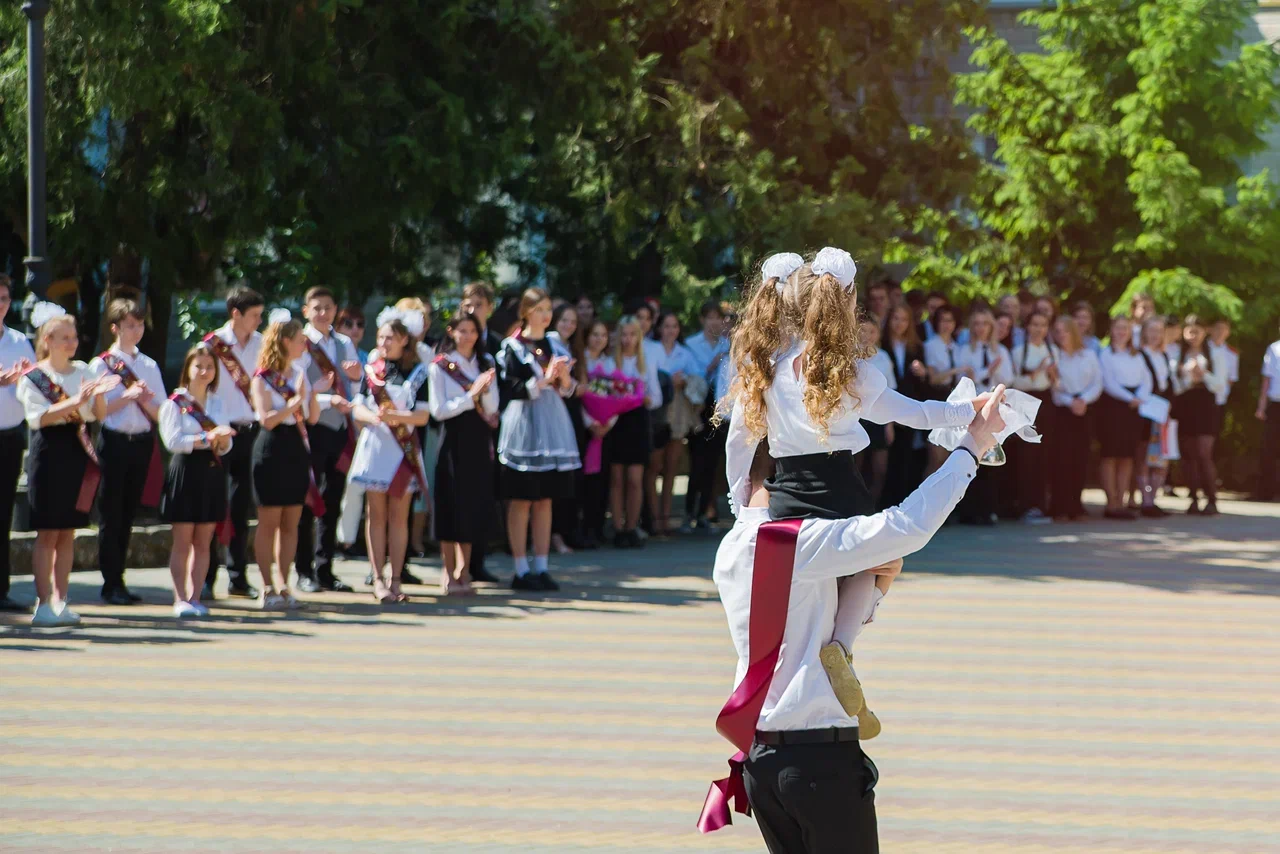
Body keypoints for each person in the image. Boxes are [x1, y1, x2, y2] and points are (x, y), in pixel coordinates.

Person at [703, 392, 1004, 851]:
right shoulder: (800, 543)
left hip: (761, 759)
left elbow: (802, 623)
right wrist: (972, 445)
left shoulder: (731, 548)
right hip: (819, 759)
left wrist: (874, 589)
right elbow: (907, 525)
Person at [725, 247, 984, 727]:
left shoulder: (767, 370)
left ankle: (812, 668)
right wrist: (969, 413)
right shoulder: (852, 373)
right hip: (841, 491)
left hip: (788, 497)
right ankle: (841, 648)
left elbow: (739, 443)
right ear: (846, 302)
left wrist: (739, 498)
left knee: (811, 584)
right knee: (879, 562)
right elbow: (918, 415)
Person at [19, 303, 119, 626]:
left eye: (74, 337)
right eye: (64, 337)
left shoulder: (85, 371)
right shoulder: (34, 377)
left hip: (78, 450)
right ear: (47, 339)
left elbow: (99, 415)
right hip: (49, 452)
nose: (71, 343)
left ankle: (62, 600)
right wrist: (76, 401)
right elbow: (39, 419)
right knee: (48, 532)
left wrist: (99, 394)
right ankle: (43, 602)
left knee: (68, 533)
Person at [496, 288, 582, 592]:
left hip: (551, 421)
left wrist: (564, 378)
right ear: (526, 311)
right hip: (523, 424)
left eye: (548, 309)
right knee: (521, 500)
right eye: (540, 309)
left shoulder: (555, 342)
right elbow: (510, 389)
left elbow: (568, 389)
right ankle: (521, 569)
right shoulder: (511, 346)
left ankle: (542, 566)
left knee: (545, 499)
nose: (546, 315)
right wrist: (546, 378)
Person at [350, 311, 432, 603]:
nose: (383, 342)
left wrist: (396, 416)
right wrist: (372, 417)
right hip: (376, 447)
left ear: (404, 339)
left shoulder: (419, 371)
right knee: (376, 515)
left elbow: (423, 415)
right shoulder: (373, 369)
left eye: (390, 337)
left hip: (403, 450)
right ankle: (378, 578)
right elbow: (357, 406)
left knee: (399, 517)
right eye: (381, 336)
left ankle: (397, 579)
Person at [251, 311, 326, 610]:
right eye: (299, 340)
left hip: (295, 447)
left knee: (291, 522)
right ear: (284, 341)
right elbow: (266, 419)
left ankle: (284, 585)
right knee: (269, 522)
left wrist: (313, 396)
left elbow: (311, 417)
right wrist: (293, 403)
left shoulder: (298, 373)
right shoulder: (263, 378)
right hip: (271, 449)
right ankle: (266, 587)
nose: (304, 344)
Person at [159, 344, 236, 618]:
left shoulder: (218, 402)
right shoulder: (175, 403)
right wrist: (207, 438)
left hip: (211, 471)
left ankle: (196, 596)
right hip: (185, 471)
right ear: (188, 369)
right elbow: (173, 441)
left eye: (209, 367)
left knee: (204, 541)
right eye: (198, 366)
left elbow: (225, 445)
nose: (204, 372)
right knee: (183, 539)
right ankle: (180, 598)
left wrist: (223, 441)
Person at [294, 287, 359, 594]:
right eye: (317, 308)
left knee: (332, 500)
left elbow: (354, 387)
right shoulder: (300, 342)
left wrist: (357, 379)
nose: (323, 313)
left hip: (339, 429)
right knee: (308, 499)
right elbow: (297, 388)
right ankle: (303, 570)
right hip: (312, 425)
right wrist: (328, 398)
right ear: (306, 310)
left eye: (328, 308)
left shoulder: (345, 343)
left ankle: (325, 569)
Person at [428, 313, 498, 595]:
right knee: (449, 505)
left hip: (479, 441)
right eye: (463, 330)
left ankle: (464, 570)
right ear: (452, 332)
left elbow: (493, 407)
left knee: (471, 506)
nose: (468, 336)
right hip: (452, 439)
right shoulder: (440, 366)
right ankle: (447, 572)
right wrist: (471, 396)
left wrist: (486, 391)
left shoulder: (486, 363)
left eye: (473, 330)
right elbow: (439, 410)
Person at [203, 287, 265, 600]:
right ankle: (205, 578)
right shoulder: (212, 346)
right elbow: (200, 389)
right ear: (235, 314)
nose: (259, 321)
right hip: (219, 433)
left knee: (241, 508)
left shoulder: (262, 343)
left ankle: (238, 577)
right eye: (254, 315)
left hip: (249, 431)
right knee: (214, 506)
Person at [603, 314, 662, 548]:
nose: (627, 340)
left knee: (635, 479)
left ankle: (632, 527)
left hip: (638, 420)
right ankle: (618, 527)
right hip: (617, 422)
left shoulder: (646, 361)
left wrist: (644, 397)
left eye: (632, 335)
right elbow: (603, 392)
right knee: (617, 478)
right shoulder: (610, 362)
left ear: (639, 337)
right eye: (624, 335)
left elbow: (656, 397)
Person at [458, 281, 502, 585]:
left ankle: (479, 560)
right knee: (461, 495)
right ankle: (459, 565)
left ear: (490, 308)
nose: (473, 311)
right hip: (462, 425)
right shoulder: (451, 343)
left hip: (491, 425)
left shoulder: (498, 344)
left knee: (485, 495)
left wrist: (496, 412)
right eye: (468, 305)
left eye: (479, 305)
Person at [953, 307, 1012, 525]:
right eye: (976, 323)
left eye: (984, 324)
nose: (980, 328)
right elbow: (964, 379)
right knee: (970, 454)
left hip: (994, 409)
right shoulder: (965, 350)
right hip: (971, 408)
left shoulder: (1001, 351)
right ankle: (967, 509)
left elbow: (1008, 378)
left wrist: (990, 372)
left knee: (992, 456)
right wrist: (987, 370)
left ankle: (987, 509)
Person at [0, 275, 37, 614]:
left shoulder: (18, 340)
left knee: (4, 515)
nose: (1, 304)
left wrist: (26, 376)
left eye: (5, 297)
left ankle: (2, 590)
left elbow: (34, 382)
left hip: (10, 436)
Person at [1170, 315, 1227, 515]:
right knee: (1189, 454)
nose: (1193, 335)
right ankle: (1193, 497)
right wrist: (1188, 377)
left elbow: (1220, 383)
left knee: (1204, 453)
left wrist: (1203, 375)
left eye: (1198, 331)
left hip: (1206, 405)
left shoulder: (1215, 354)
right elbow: (1175, 386)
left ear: (1205, 332)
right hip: (1186, 404)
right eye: (1190, 331)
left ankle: (1211, 498)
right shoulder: (1177, 355)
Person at [1096, 315, 1152, 520]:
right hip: (1113, 407)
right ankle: (1111, 502)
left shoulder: (1136, 355)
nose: (1122, 332)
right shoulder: (1105, 354)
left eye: (1125, 329)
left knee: (1127, 457)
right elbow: (1108, 382)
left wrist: (1140, 398)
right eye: (1118, 328)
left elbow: (1147, 379)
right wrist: (1130, 398)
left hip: (1133, 409)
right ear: (1111, 330)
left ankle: (1121, 501)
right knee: (1110, 455)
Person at [1049, 315, 1102, 521]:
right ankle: (1059, 506)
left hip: (1084, 410)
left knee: (1080, 458)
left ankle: (1075, 505)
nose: (1061, 335)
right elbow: (1054, 387)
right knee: (1061, 458)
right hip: (1063, 411)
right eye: (1058, 331)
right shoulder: (1054, 356)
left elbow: (1098, 382)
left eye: (1065, 330)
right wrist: (1069, 401)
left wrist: (1083, 400)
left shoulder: (1088, 355)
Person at [683, 301, 730, 532]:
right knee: (696, 461)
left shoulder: (728, 343)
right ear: (702, 320)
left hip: (719, 407)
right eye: (709, 317)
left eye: (717, 317)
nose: (714, 322)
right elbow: (693, 377)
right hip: (698, 407)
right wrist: (711, 366)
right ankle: (688, 511)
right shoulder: (691, 344)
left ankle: (705, 512)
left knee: (713, 462)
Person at [646, 311, 694, 537]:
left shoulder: (685, 353)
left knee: (671, 468)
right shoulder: (652, 349)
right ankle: (653, 519)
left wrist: (683, 380)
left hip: (677, 412)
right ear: (659, 328)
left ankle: (665, 519)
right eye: (666, 326)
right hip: (657, 412)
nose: (670, 330)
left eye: (674, 326)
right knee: (654, 466)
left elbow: (697, 377)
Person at [879, 303, 929, 508]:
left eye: (904, 319)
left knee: (905, 458)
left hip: (908, 407)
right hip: (884, 406)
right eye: (896, 318)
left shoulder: (916, 347)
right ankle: (884, 503)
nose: (900, 324)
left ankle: (902, 503)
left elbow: (921, 383)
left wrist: (923, 372)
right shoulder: (881, 345)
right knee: (884, 461)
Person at [1010, 311, 1057, 523]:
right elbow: (1015, 382)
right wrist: (1037, 372)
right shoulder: (1019, 352)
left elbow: (1057, 384)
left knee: (1044, 454)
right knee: (1026, 454)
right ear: (1027, 327)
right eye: (1035, 324)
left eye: (1043, 325)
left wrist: (1053, 376)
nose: (1039, 329)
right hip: (1025, 402)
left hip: (1047, 403)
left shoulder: (1052, 351)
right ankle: (1025, 505)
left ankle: (1041, 504)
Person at [548, 303, 586, 553]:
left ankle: (565, 531)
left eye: (573, 321)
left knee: (569, 476)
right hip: (553, 412)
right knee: (555, 477)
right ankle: (554, 535)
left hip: (571, 412)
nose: (568, 325)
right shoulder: (550, 342)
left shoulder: (572, 346)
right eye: (564, 320)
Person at [579, 319, 613, 548]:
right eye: (594, 334)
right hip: (584, 429)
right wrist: (590, 422)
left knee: (601, 482)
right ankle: (582, 529)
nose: (599, 339)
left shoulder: (610, 364)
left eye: (603, 335)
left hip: (606, 431)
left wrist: (607, 422)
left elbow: (617, 396)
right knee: (584, 482)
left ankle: (597, 527)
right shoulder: (580, 361)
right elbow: (579, 398)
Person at [1136, 315, 1173, 517]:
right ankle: (1145, 499)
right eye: (1151, 330)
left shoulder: (1164, 356)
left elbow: (1167, 383)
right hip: (1146, 411)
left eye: (1159, 331)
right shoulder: (1140, 355)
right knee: (1143, 455)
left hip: (1162, 412)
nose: (1155, 335)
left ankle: (1154, 498)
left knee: (1160, 457)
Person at [860, 318, 896, 508]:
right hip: (856, 418)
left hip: (879, 418)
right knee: (857, 467)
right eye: (863, 331)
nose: (867, 336)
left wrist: (889, 425)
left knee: (879, 469)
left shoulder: (883, 357)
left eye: (871, 331)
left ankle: (872, 507)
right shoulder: (851, 356)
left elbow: (891, 391)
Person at [922, 304, 961, 475]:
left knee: (949, 458)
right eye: (943, 320)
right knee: (935, 458)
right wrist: (955, 371)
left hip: (955, 399)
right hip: (937, 397)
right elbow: (933, 378)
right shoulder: (931, 345)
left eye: (950, 320)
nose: (947, 324)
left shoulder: (957, 346)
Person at [1256, 324, 1280, 500]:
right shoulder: (1274, 348)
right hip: (1275, 404)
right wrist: (1261, 406)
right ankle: (1268, 491)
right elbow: (1267, 379)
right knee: (1270, 448)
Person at [1208, 318, 1239, 439]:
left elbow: (1232, 378)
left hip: (1219, 398)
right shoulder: (1202, 348)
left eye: (1224, 329)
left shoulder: (1232, 353)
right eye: (1217, 328)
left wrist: (1223, 393)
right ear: (1210, 329)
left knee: (1214, 433)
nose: (1220, 332)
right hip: (1201, 396)